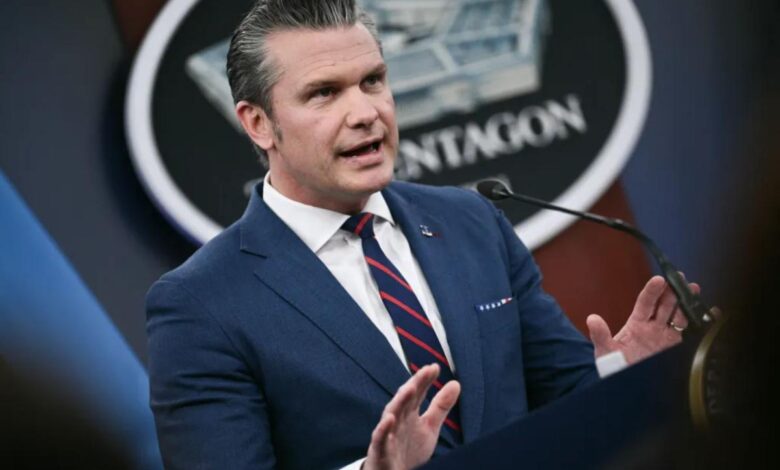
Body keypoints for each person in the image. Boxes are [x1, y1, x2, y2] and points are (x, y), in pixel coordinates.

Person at [146, 1, 697, 469]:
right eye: (324, 93)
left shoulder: (471, 221)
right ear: (258, 123)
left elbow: (563, 396)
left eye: (372, 81)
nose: (365, 112)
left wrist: (624, 373)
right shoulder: (201, 303)